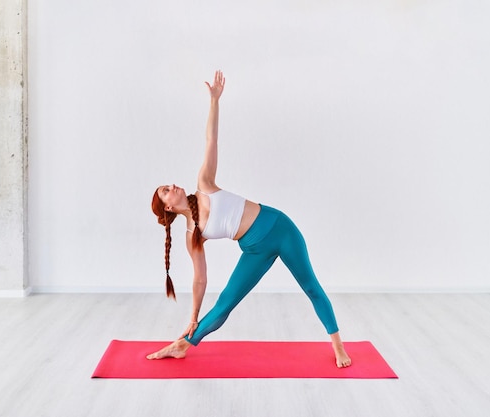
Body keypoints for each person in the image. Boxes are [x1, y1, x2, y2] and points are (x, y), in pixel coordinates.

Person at [148, 70, 351, 368]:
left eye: (169, 185)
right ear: (166, 208)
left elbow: (210, 139)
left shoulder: (203, 184)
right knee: (224, 304)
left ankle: (338, 347)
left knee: (310, 287)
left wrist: (214, 101)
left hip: (280, 228)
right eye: (166, 191)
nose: (173, 187)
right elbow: (200, 279)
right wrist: (193, 317)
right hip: (254, 249)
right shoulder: (193, 234)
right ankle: (183, 344)